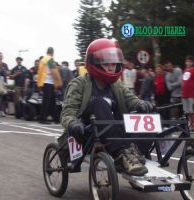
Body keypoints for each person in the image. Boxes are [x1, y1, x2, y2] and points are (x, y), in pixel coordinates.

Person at [59, 38, 153, 176]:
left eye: (113, 63)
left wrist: (141, 104)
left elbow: (130, 98)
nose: (111, 67)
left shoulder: (117, 84)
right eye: (105, 63)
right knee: (99, 102)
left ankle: (136, 152)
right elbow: (68, 111)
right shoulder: (79, 84)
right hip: (87, 132)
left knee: (150, 110)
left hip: (113, 131)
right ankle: (121, 155)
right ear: (94, 64)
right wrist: (72, 123)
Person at [37, 47, 62, 124]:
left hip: (44, 82)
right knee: (47, 102)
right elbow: (54, 71)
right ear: (52, 52)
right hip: (49, 83)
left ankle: (56, 119)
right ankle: (42, 119)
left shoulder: (43, 60)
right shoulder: (50, 59)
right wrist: (59, 81)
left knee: (51, 102)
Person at [182, 55, 194, 132]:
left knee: (193, 111)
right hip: (184, 94)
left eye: (190, 61)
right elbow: (183, 82)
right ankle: (190, 125)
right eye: (187, 61)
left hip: (191, 94)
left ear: (193, 62)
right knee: (188, 111)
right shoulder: (185, 70)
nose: (188, 63)